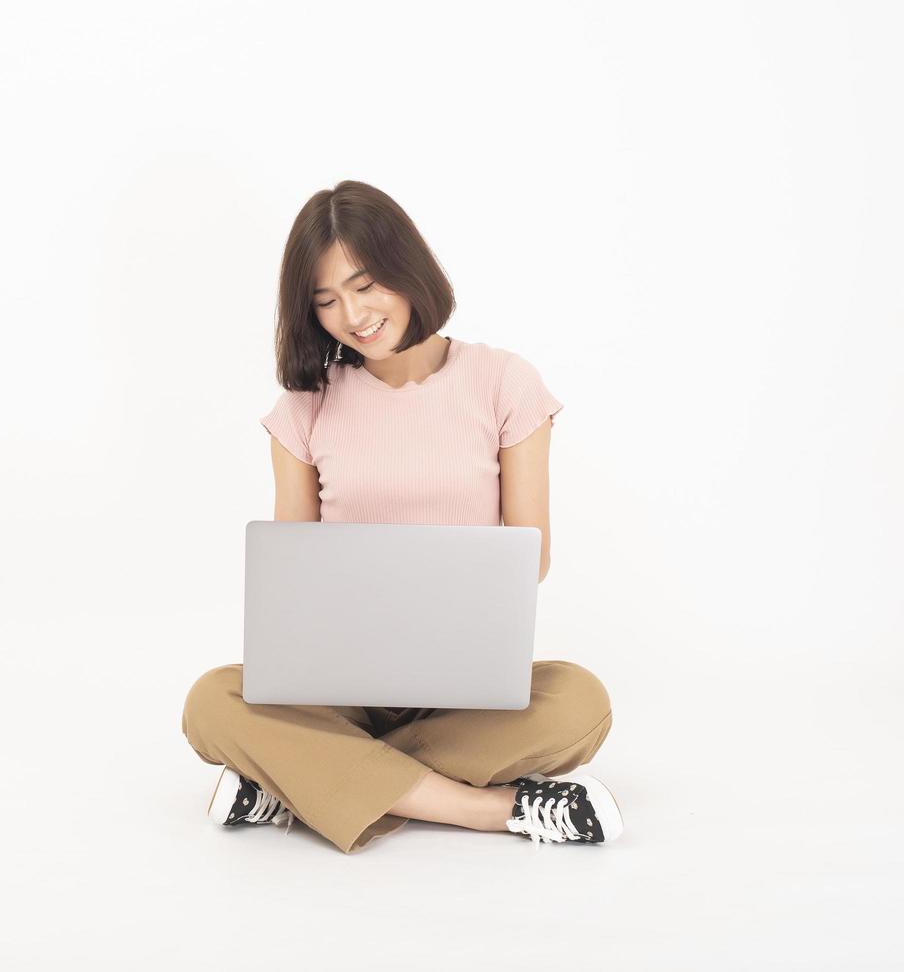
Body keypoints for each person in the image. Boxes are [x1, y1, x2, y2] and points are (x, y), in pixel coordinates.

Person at [180, 180, 622, 854]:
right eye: (325, 300)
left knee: (581, 703)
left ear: (405, 267)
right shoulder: (306, 408)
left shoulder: (505, 382)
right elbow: (293, 575)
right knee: (210, 703)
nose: (352, 315)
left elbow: (529, 555)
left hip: (464, 686)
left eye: (365, 285)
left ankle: (304, 779)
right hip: (338, 686)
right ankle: (491, 809)